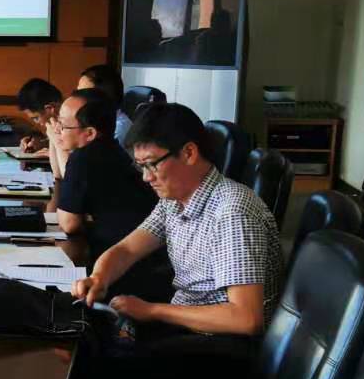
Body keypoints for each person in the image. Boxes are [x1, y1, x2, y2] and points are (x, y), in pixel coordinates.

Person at [71, 102, 282, 346]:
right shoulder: (175, 199)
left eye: (152, 164)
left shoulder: (233, 212)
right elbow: (127, 249)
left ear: (189, 153)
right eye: (140, 166)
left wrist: (152, 311)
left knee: (97, 351)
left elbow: (246, 319)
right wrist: (99, 278)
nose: (146, 177)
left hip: (219, 344)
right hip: (185, 321)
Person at [46, 89, 155, 262]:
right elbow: (58, 174)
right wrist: (55, 140)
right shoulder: (111, 149)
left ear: (90, 133)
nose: (58, 129)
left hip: (123, 258)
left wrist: (57, 142)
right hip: (135, 252)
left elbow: (68, 224)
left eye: (63, 125)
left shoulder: (84, 157)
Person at [75, 63, 131, 147]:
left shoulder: (119, 129)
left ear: (103, 96)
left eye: (83, 93)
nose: (76, 98)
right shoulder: (94, 120)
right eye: (77, 92)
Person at [15, 78, 63, 155]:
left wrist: (53, 153)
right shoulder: (59, 125)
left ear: (50, 108)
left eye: (36, 118)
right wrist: (42, 143)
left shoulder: (74, 122)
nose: (37, 123)